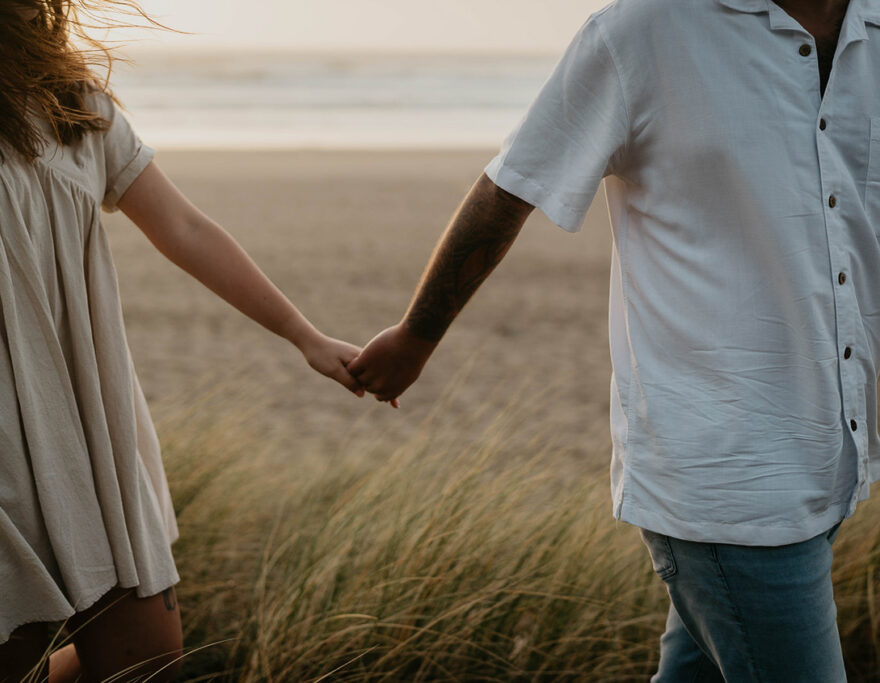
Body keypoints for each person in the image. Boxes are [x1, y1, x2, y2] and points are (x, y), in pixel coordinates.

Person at [349, 0, 877, 679]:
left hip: (835, 455)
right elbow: (513, 183)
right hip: (722, 480)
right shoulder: (648, 30)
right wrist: (416, 337)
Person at [0, 1, 366, 681]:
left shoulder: (64, 89)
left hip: (87, 434)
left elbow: (181, 225)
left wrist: (303, 336)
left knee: (148, 665)